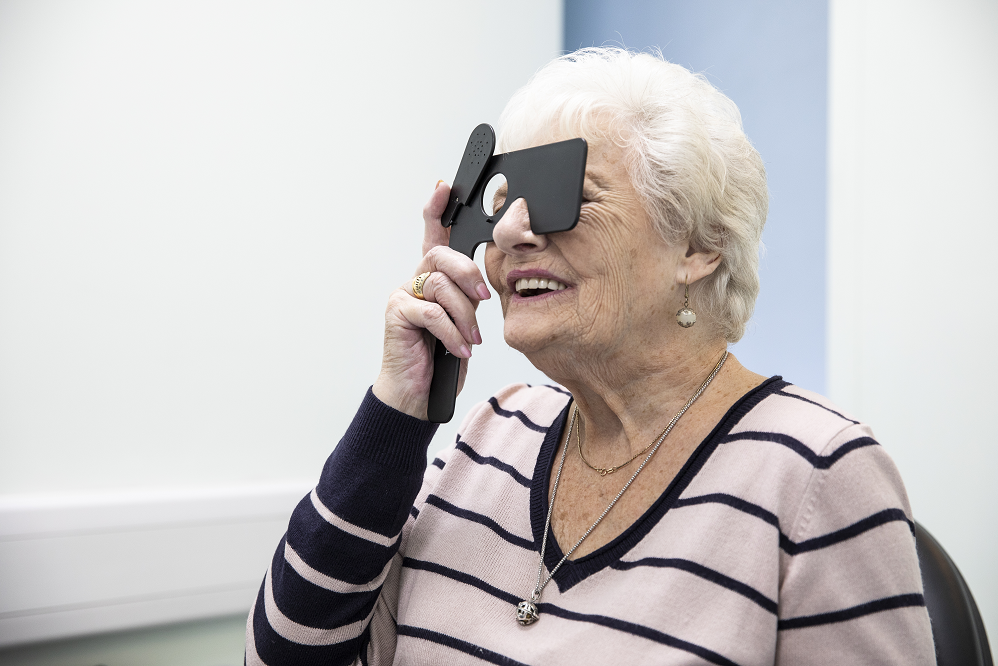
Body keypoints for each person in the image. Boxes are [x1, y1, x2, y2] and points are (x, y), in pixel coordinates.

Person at [245, 48, 935, 665]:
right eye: (502, 201)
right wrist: (399, 410)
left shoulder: (818, 474)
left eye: (564, 197)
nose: (511, 231)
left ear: (695, 248)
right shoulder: (490, 439)